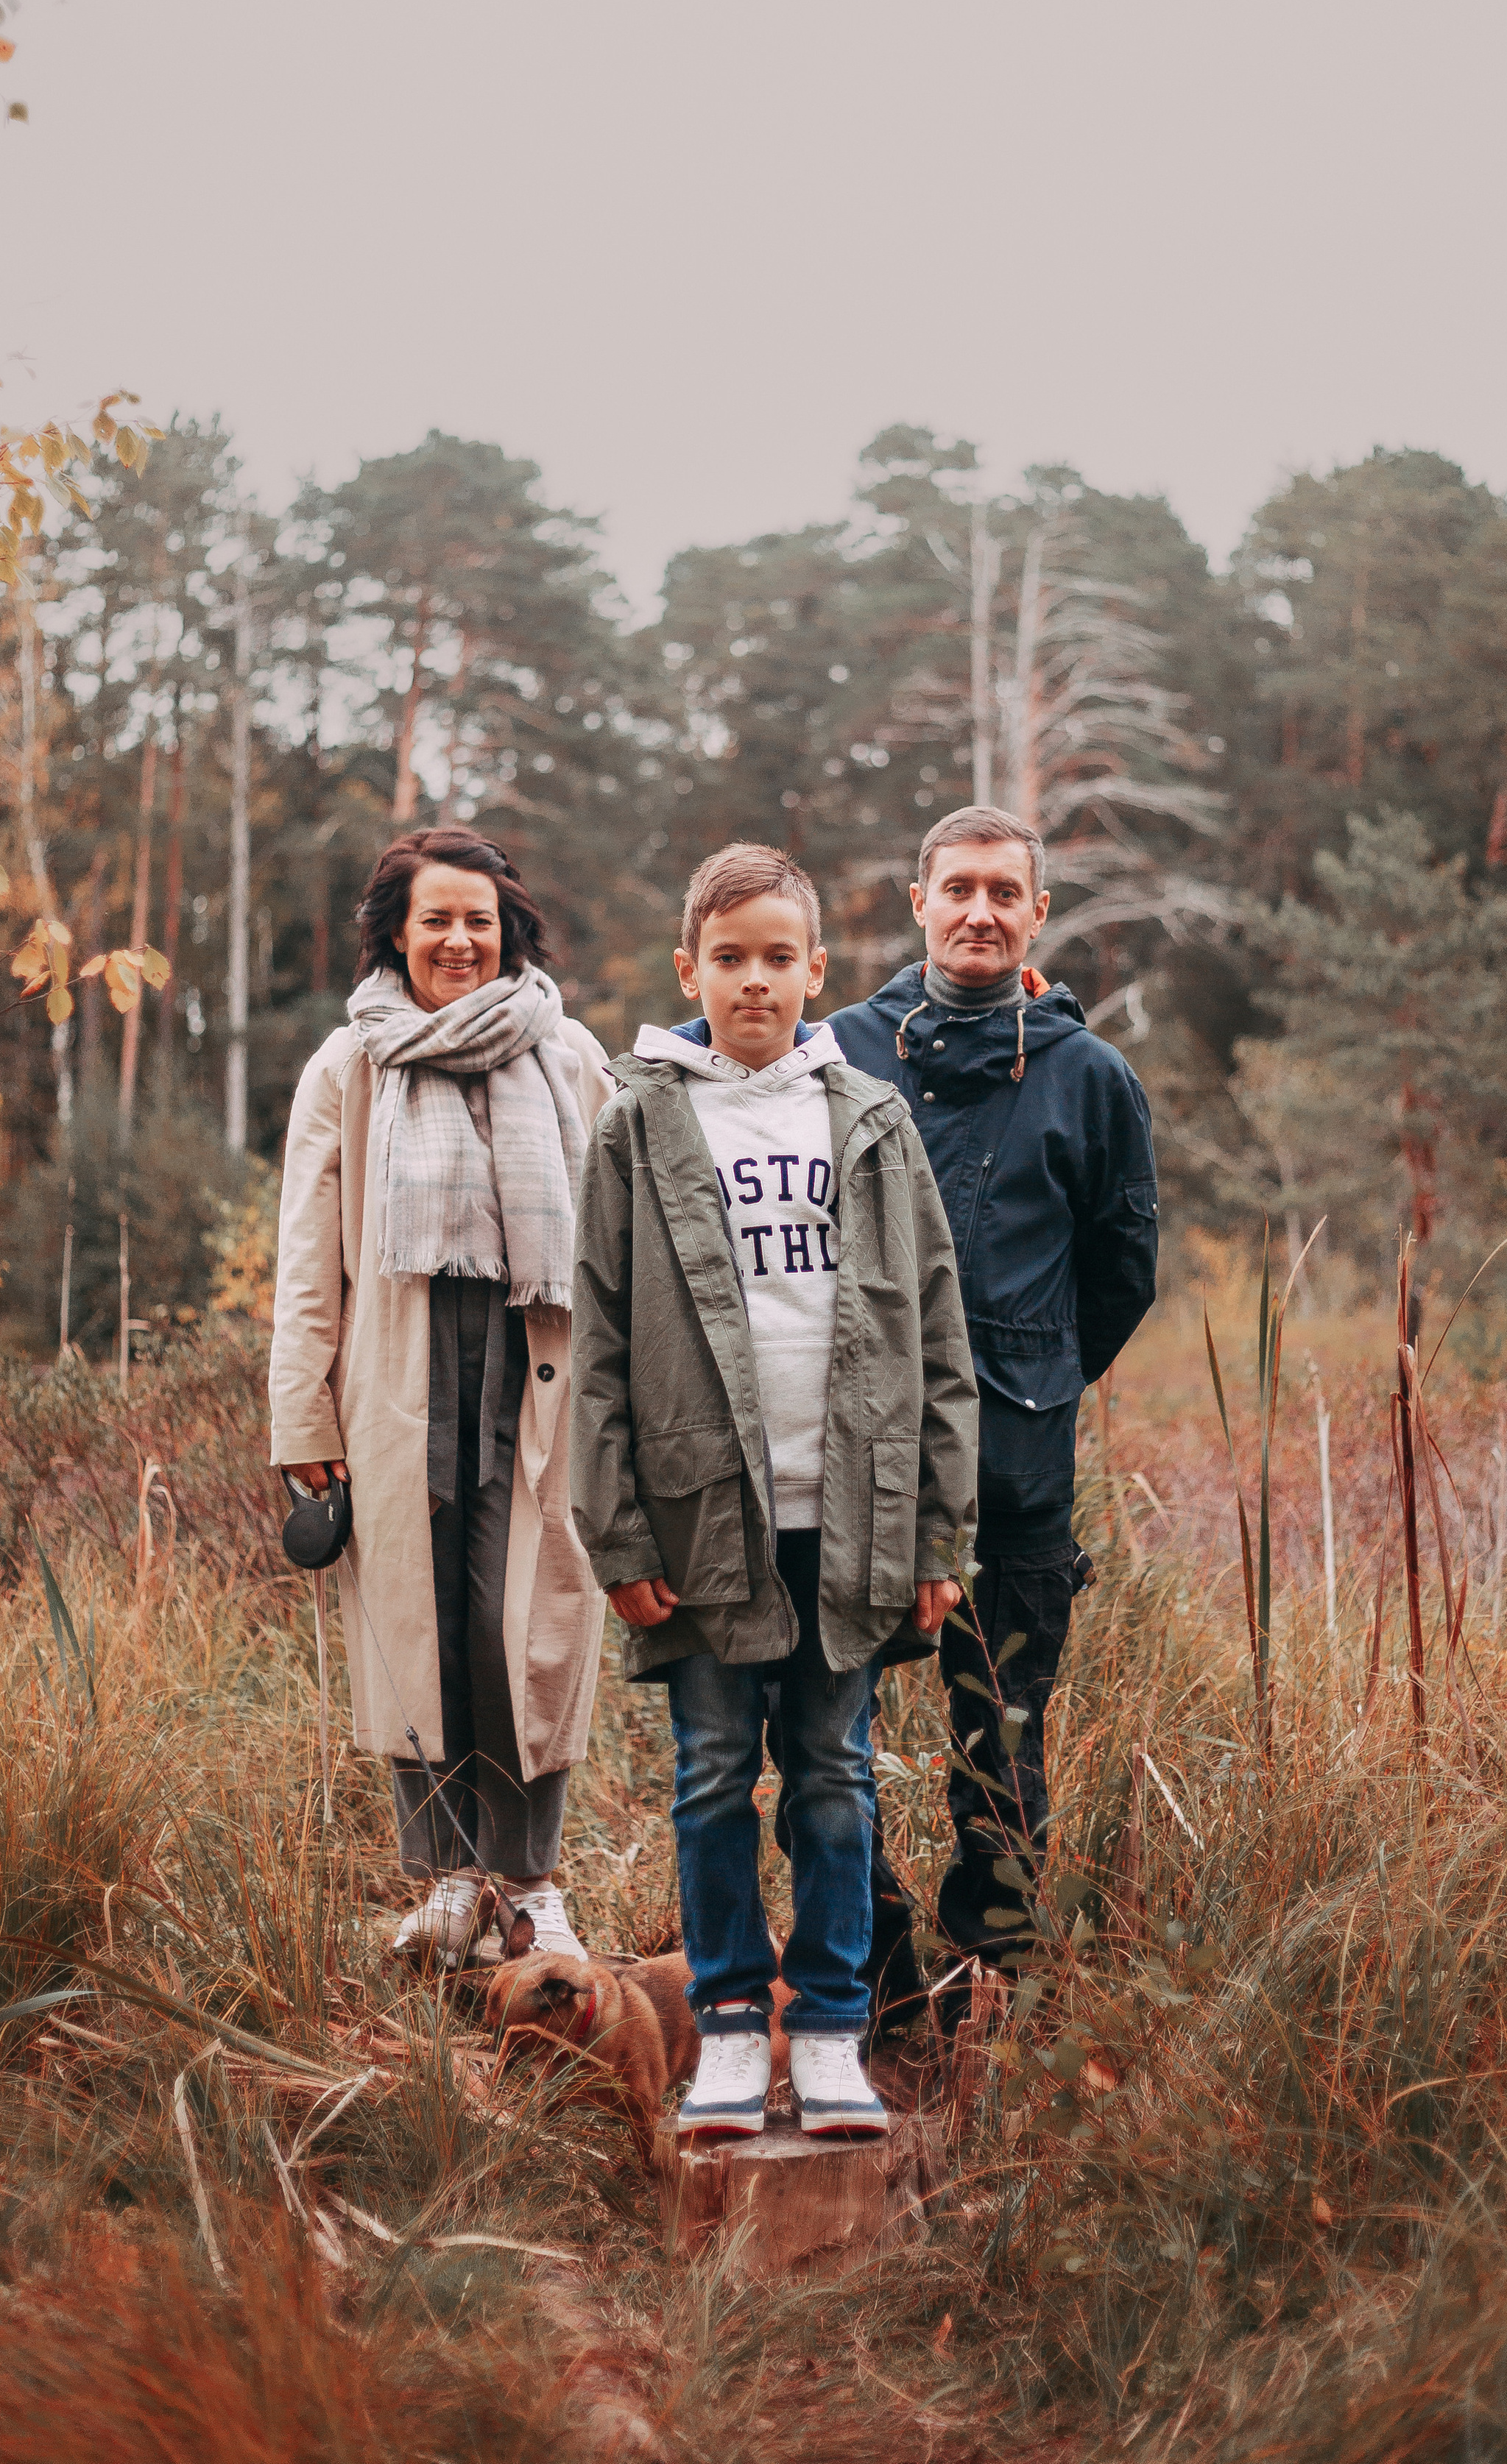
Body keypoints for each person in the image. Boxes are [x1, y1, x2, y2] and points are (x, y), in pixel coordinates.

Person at [570, 843, 978, 2136]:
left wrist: (935, 1529)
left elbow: (936, 1334)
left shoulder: (868, 1122)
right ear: (689, 969)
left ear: (818, 972)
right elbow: (594, 1345)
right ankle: (734, 2026)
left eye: (780, 959)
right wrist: (617, 1526)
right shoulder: (641, 1122)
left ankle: (835, 2025)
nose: (756, 982)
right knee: (707, 1775)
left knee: (833, 1778)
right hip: (702, 1526)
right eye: (729, 958)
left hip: (847, 1520)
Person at [827, 806, 1159, 2019]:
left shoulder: (1090, 1077)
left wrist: (1034, 1375)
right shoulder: (837, 1053)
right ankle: (873, 1977)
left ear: (1037, 915)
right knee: (826, 1741)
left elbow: (1124, 1272)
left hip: (1019, 1475)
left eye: (1002, 892)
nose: (979, 910)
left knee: (1003, 1745)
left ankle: (994, 1992)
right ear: (916, 899)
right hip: (850, 1464)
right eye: (956, 887)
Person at [269, 826, 615, 1966]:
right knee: (425, 1636)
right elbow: (309, 1257)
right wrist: (301, 1419)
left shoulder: (570, 1058)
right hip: (400, 1384)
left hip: (540, 1379)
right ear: (397, 935)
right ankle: (448, 1882)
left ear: (509, 928)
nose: (459, 940)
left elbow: (618, 1249)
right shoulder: (349, 1065)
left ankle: (531, 1884)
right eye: (436, 921)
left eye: (480, 920)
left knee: (529, 1633)